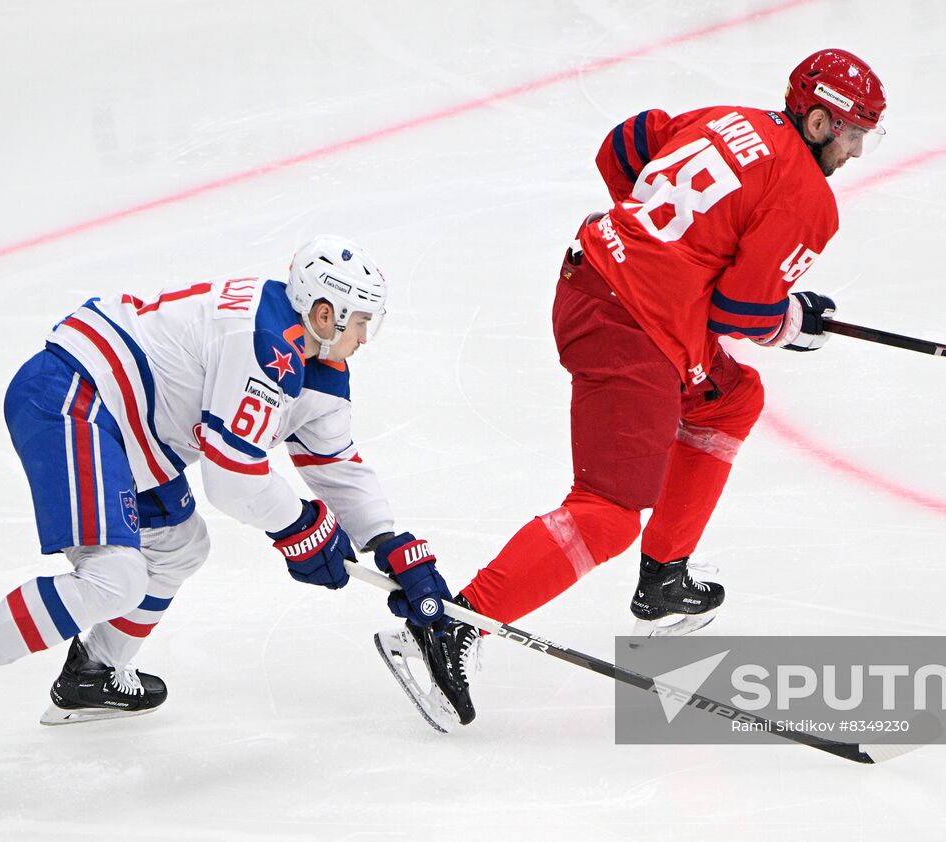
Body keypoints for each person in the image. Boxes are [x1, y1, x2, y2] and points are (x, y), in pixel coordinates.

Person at [378, 48, 887, 728]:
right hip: (629, 327)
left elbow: (625, 143)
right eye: (852, 133)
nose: (855, 151)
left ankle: (665, 579)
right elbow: (741, 313)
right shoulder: (808, 196)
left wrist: (657, 242)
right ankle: (450, 623)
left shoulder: (730, 117)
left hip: (592, 276)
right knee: (609, 512)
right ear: (820, 121)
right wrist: (790, 318)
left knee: (730, 397)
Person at [0, 236, 454, 773]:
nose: (366, 336)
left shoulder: (314, 358)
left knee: (178, 546)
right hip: (75, 397)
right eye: (360, 321)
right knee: (113, 579)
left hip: (130, 430)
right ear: (324, 313)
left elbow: (333, 463)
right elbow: (233, 476)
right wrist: (300, 527)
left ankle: (94, 672)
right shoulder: (262, 342)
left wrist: (390, 543)